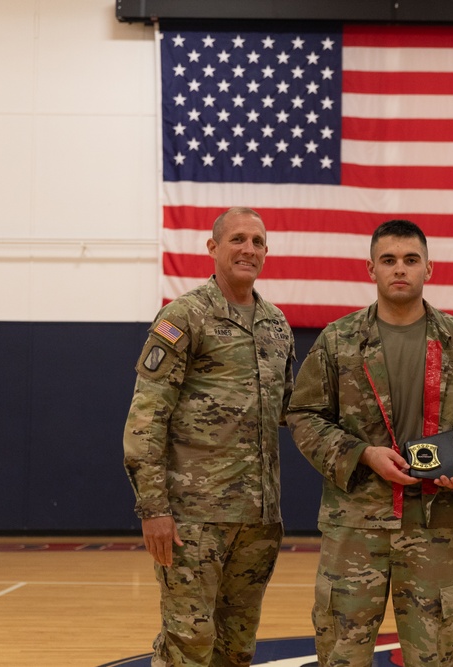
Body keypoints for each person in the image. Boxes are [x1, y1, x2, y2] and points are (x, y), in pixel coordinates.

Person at [286, 219, 453, 667]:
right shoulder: (338, 340)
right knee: (342, 652)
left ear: (429, 269)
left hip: (434, 524)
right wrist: (361, 454)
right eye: (388, 260)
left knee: (436, 653)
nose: (399, 269)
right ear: (371, 269)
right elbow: (302, 415)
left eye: (410, 260)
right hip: (355, 526)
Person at [123, 207, 295, 667]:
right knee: (189, 645)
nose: (249, 249)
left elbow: (291, 410)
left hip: (259, 520)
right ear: (213, 248)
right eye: (238, 239)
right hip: (193, 519)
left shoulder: (276, 325)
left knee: (236, 647)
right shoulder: (184, 317)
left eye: (258, 242)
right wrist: (154, 510)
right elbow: (145, 419)